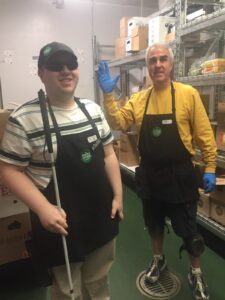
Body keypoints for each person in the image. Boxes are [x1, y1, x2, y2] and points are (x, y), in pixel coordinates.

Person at [0, 41, 123, 300]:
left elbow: (109, 154)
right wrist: (43, 209)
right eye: (56, 66)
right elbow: (9, 170)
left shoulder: (93, 109)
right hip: (60, 222)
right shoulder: (24, 118)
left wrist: (118, 195)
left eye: (71, 64)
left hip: (101, 214)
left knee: (99, 281)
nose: (66, 71)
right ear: (41, 73)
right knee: (67, 290)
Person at [97, 43, 217, 300]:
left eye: (163, 59)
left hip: (180, 175)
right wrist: (108, 95)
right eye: (153, 61)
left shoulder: (188, 94)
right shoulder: (139, 99)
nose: (158, 64)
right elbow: (118, 122)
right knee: (153, 224)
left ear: (171, 64)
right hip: (150, 174)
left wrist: (210, 166)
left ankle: (195, 273)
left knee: (189, 231)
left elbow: (205, 134)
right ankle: (158, 259)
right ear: (148, 67)